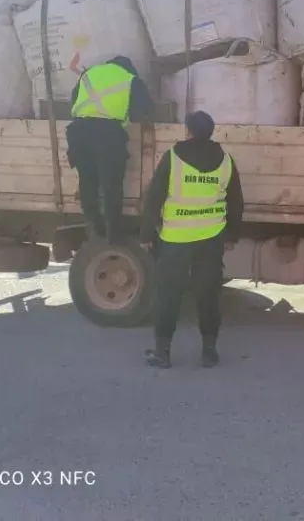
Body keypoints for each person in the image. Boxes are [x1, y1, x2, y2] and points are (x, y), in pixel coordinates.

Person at [139, 110, 243, 369]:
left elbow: (153, 197)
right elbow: (236, 203)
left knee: (168, 296)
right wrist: (231, 235)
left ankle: (163, 352)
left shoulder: (173, 158)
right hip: (211, 239)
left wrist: (147, 233)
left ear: (188, 131)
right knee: (208, 295)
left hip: (175, 239)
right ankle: (209, 351)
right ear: (211, 131)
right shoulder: (226, 161)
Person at [66, 55, 155, 244]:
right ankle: (113, 232)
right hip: (108, 135)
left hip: (79, 132)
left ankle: (93, 224)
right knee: (111, 184)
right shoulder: (130, 79)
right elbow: (144, 110)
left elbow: (73, 102)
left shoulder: (89, 73)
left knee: (87, 180)